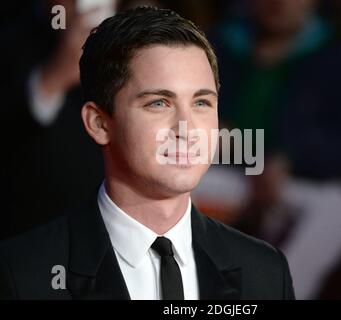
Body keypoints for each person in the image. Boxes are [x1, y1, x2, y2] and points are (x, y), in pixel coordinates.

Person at [0, 6, 294, 300]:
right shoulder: (23, 273)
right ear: (100, 123)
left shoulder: (265, 271)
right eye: (158, 103)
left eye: (202, 103)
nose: (186, 128)